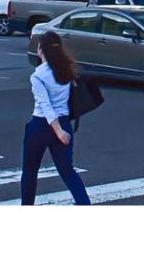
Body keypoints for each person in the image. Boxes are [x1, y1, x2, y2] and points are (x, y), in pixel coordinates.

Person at [21, 31, 92, 206]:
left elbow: (45, 106)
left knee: (30, 171)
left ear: (40, 49)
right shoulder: (65, 69)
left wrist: (57, 130)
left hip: (40, 126)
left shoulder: (38, 75)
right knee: (67, 171)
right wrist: (61, 129)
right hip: (64, 122)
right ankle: (85, 204)